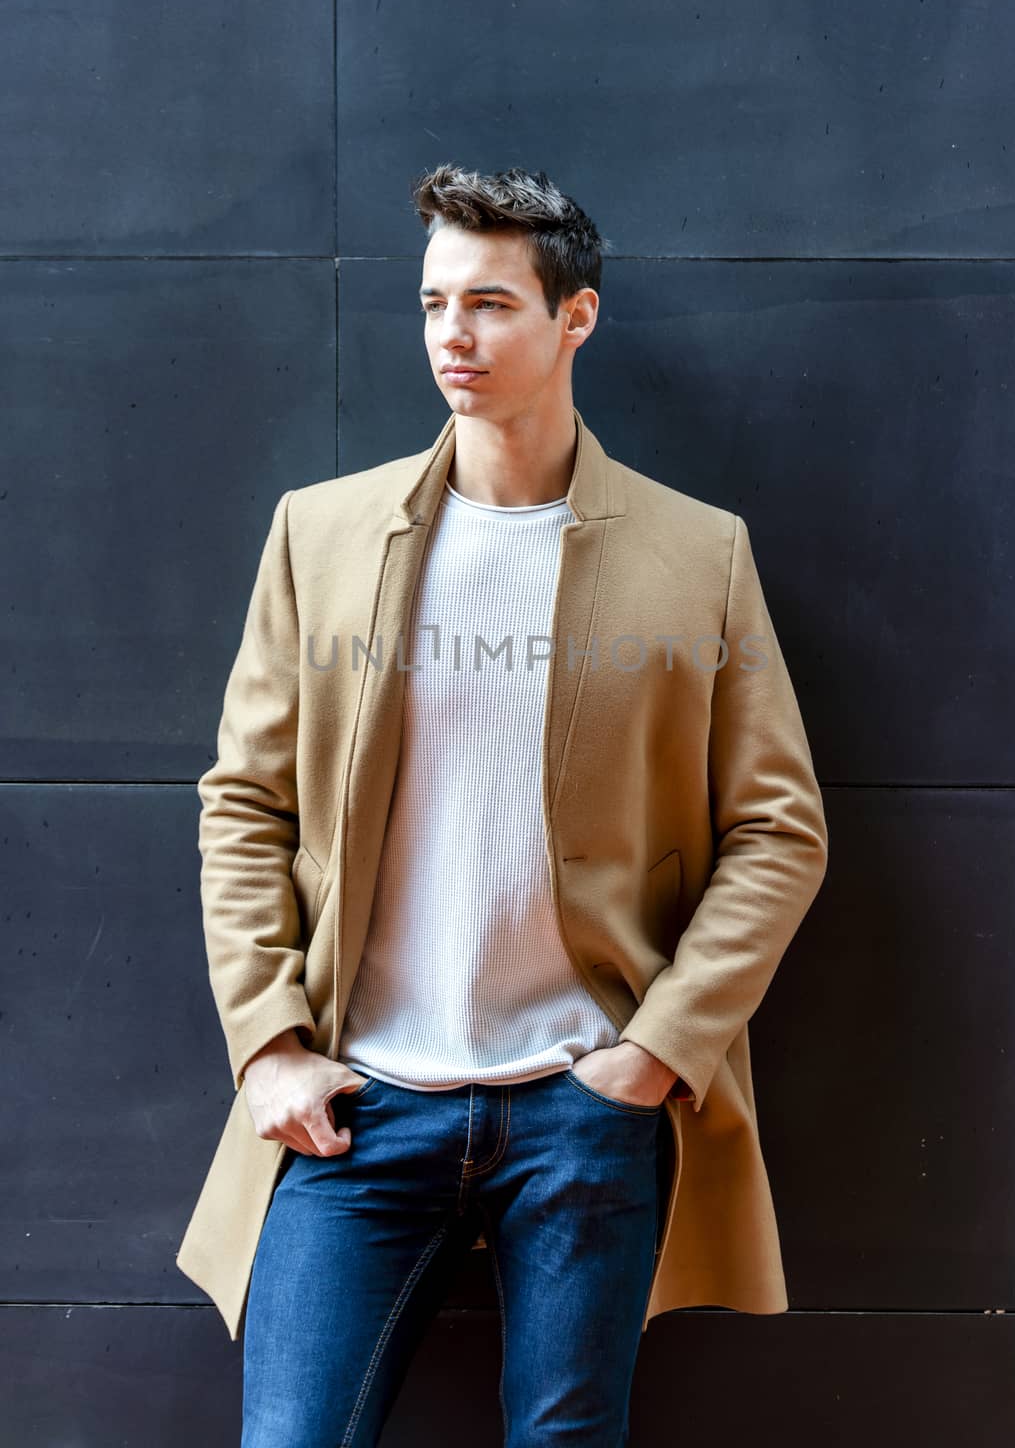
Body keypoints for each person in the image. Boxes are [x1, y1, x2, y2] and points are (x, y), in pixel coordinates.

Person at [176, 163, 829, 1447]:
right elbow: (243, 801)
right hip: (357, 1107)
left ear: (574, 317)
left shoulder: (697, 553)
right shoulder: (322, 532)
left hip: (584, 1104)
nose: (451, 338)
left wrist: (654, 1054)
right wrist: (267, 1041)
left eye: (489, 304)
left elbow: (778, 827)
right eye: (431, 304)